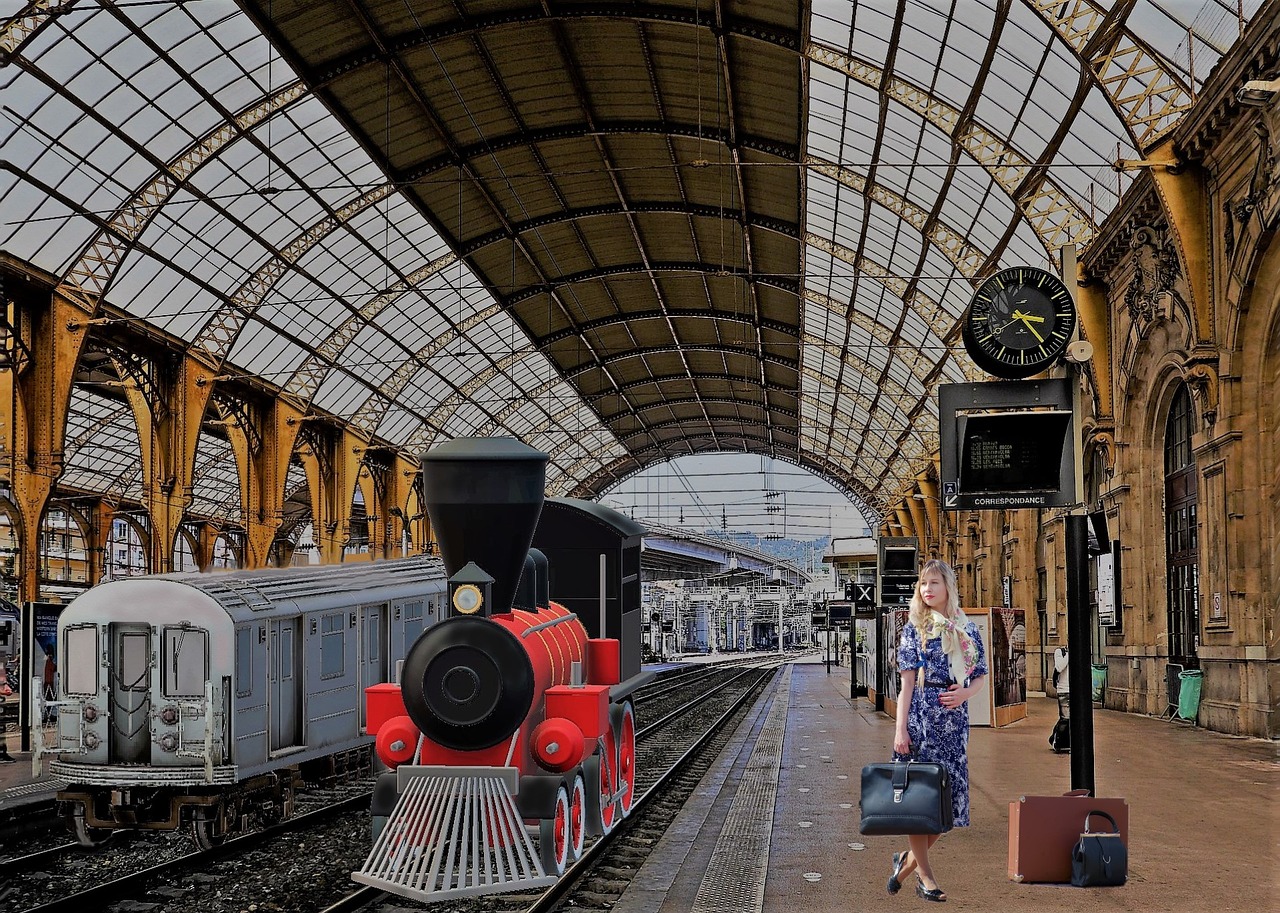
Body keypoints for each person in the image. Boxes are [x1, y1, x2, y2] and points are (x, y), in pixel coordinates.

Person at [886, 559, 988, 903]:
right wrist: (900, 730)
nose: (927, 590)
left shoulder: (965, 628)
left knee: (948, 804)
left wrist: (965, 693)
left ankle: (907, 861)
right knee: (921, 801)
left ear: (948, 587)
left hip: (953, 722)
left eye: (934, 583)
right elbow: (906, 685)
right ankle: (925, 877)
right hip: (922, 720)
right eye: (922, 584)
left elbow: (980, 675)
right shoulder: (915, 628)